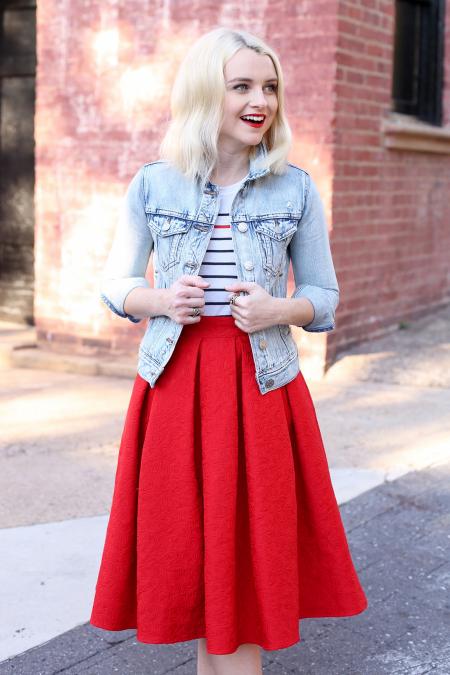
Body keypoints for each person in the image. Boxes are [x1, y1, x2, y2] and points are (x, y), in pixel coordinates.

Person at [89, 26, 368, 675]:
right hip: (176, 385)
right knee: (194, 559)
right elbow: (115, 283)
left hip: (259, 386)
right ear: (204, 95)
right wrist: (158, 301)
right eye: (241, 85)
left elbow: (323, 294)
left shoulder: (293, 188)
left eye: (269, 87)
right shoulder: (154, 185)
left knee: (240, 569)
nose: (260, 99)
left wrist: (280, 309)